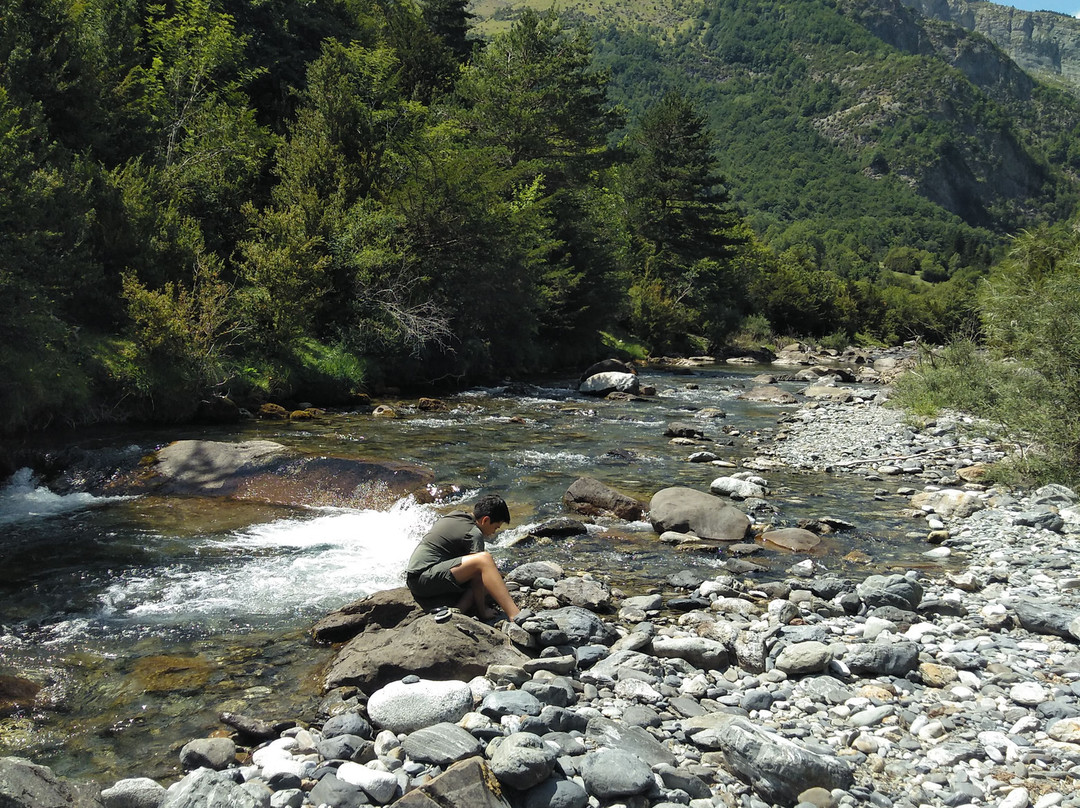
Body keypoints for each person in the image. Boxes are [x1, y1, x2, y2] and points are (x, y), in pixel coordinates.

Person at [405, 493, 520, 620]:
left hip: (416, 577)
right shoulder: (474, 533)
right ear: (485, 520)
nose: (494, 532)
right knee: (484, 561)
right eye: (495, 527)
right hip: (423, 579)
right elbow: (478, 576)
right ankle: (514, 614)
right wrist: (483, 611)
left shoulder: (456, 514)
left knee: (490, 579)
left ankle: (458, 610)